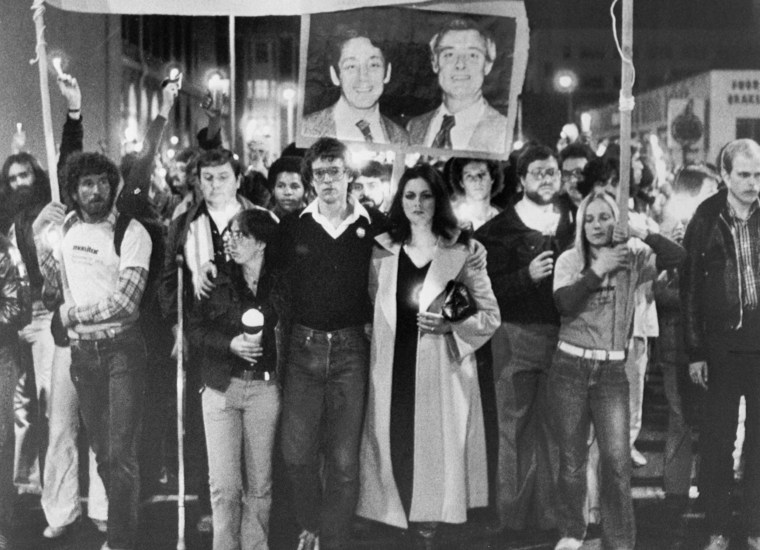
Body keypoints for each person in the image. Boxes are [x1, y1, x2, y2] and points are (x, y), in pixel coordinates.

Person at [357, 163, 499, 546]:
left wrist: (451, 326)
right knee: (394, 433)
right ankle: (393, 510)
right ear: (399, 200)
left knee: (434, 441)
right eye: (409, 195)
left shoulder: (463, 249)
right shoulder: (382, 249)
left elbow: (490, 315)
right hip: (392, 361)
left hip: (441, 362)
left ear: (438, 199)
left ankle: (432, 516)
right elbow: (373, 302)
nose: (417, 204)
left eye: (425, 195)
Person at [550, 191, 685, 550]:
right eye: (590, 219)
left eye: (605, 217)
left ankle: (620, 539)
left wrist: (645, 231)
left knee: (616, 461)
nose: (597, 225)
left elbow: (679, 258)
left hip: (611, 370)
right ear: (581, 224)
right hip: (570, 366)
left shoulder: (635, 258)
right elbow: (563, 304)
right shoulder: (569, 259)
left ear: (617, 221)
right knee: (572, 458)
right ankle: (571, 530)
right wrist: (597, 269)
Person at [274, 137, 386, 550]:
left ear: (349, 175)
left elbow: (419, 238)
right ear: (310, 179)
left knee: (343, 461)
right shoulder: (293, 228)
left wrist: (467, 241)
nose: (327, 180)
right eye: (319, 173)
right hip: (303, 349)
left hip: (351, 349)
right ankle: (312, 523)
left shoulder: (373, 225)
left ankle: (333, 540)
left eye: (334, 170)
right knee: (297, 454)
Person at [36, 150, 153, 550]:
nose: (96, 190)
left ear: (113, 185)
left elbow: (126, 303)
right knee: (103, 454)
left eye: (103, 181)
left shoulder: (131, 233)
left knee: (120, 454)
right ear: (74, 190)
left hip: (122, 351)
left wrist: (72, 315)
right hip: (84, 356)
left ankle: (122, 541)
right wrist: (42, 240)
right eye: (87, 183)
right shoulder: (67, 227)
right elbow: (53, 285)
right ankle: (120, 528)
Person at [475, 144, 575, 533]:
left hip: (564, 336)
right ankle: (513, 517)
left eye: (553, 172)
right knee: (514, 428)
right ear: (521, 180)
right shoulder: (497, 231)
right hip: (513, 336)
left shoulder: (574, 222)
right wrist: (524, 276)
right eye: (538, 173)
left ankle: (550, 515)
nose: (548, 180)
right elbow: (483, 290)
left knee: (556, 427)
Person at [680, 139, 760, 550]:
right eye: (744, 174)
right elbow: (690, 284)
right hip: (720, 345)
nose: (752, 183)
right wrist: (695, 350)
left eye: (758, 174)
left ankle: (753, 525)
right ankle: (717, 526)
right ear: (725, 175)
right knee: (718, 440)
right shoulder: (707, 216)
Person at [189, 209, 281, 550]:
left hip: (265, 387)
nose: (231, 240)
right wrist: (229, 344)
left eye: (240, 234)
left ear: (261, 241)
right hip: (220, 386)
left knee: (260, 484)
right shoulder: (216, 278)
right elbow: (194, 330)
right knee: (224, 486)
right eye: (229, 233)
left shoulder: (281, 281)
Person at [653, 164, 719, 520]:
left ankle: (710, 486)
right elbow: (658, 290)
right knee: (679, 416)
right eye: (710, 190)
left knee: (713, 416)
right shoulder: (671, 231)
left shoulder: (719, 226)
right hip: (677, 339)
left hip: (715, 340)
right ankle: (676, 493)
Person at [406, 18, 508, 155]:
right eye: (449, 55)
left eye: (472, 55)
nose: (460, 64)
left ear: (487, 65)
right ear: (435, 64)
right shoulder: (413, 127)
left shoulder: (505, 130)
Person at [302, 28, 408, 145]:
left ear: (387, 73)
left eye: (373, 65)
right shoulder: (305, 128)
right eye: (351, 66)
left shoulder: (401, 137)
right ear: (335, 75)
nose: (363, 77)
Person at [0, 234, 31, 550]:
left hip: (1, 352)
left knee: (0, 440)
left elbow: (17, 308)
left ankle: (1, 522)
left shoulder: (4, 252)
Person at [449, 157, 504, 230]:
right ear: (461, 182)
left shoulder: (506, 219)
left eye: (482, 174)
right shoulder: (452, 222)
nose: (476, 181)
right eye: (469, 176)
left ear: (492, 178)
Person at [559, 142, 595, 212]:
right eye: (567, 174)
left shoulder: (606, 206)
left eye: (578, 173)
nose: (572, 180)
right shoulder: (555, 211)